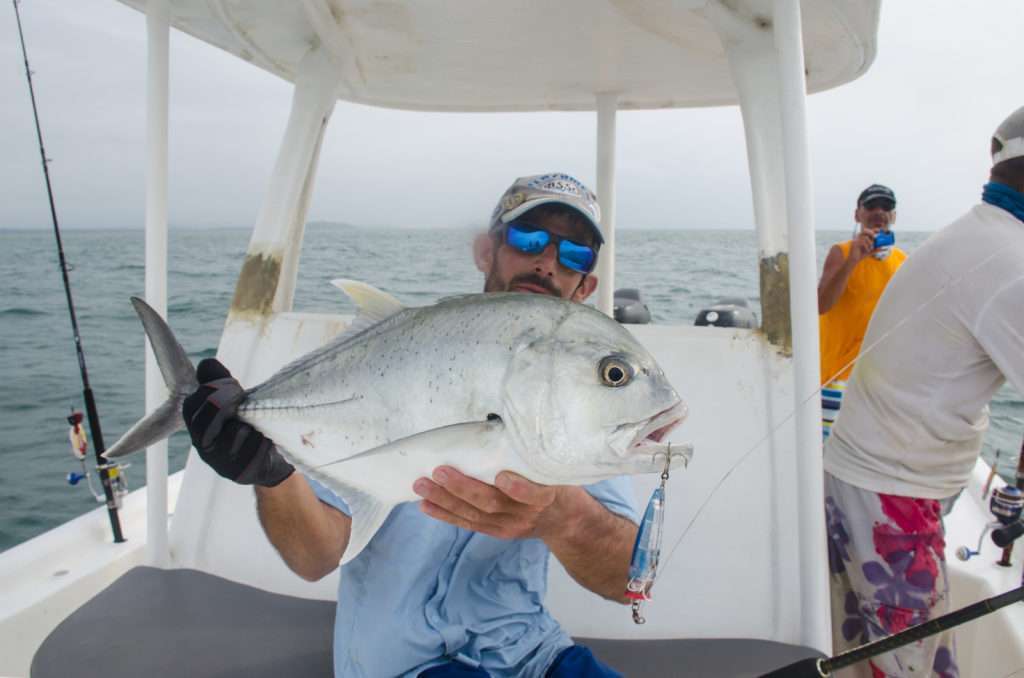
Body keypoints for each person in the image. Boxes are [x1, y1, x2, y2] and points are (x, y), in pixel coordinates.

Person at [182, 173, 638, 678]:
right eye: (528, 239)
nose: (547, 262)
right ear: (486, 251)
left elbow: (626, 581)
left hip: (533, 657)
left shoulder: (579, 405)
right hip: (404, 666)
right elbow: (314, 557)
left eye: (574, 255)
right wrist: (271, 474)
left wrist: (560, 514)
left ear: (586, 285)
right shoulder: (402, 356)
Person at [823, 106, 1024, 677]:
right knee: (915, 669)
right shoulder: (1011, 264)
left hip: (859, 477)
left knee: (861, 659)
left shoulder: (973, 236)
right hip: (894, 497)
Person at [817, 184, 908, 439]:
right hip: (836, 376)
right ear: (857, 214)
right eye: (871, 206)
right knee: (827, 451)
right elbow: (821, 304)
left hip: (879, 379)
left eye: (887, 207)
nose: (879, 212)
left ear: (894, 215)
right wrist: (853, 260)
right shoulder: (842, 252)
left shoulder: (902, 259)